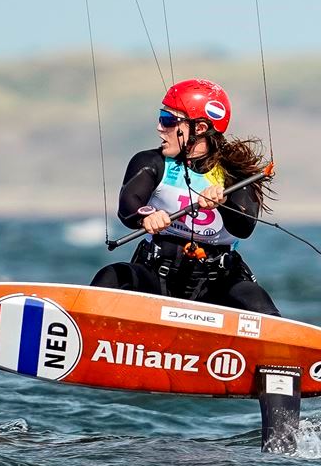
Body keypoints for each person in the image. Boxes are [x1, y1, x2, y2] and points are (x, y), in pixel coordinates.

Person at [91, 78, 280, 316]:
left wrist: (223, 204)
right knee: (112, 275)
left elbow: (245, 226)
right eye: (161, 117)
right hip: (156, 276)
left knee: (257, 301)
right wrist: (146, 217)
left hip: (217, 283)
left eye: (168, 120)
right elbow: (128, 205)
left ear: (200, 128)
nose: (160, 127)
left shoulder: (234, 174)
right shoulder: (151, 162)